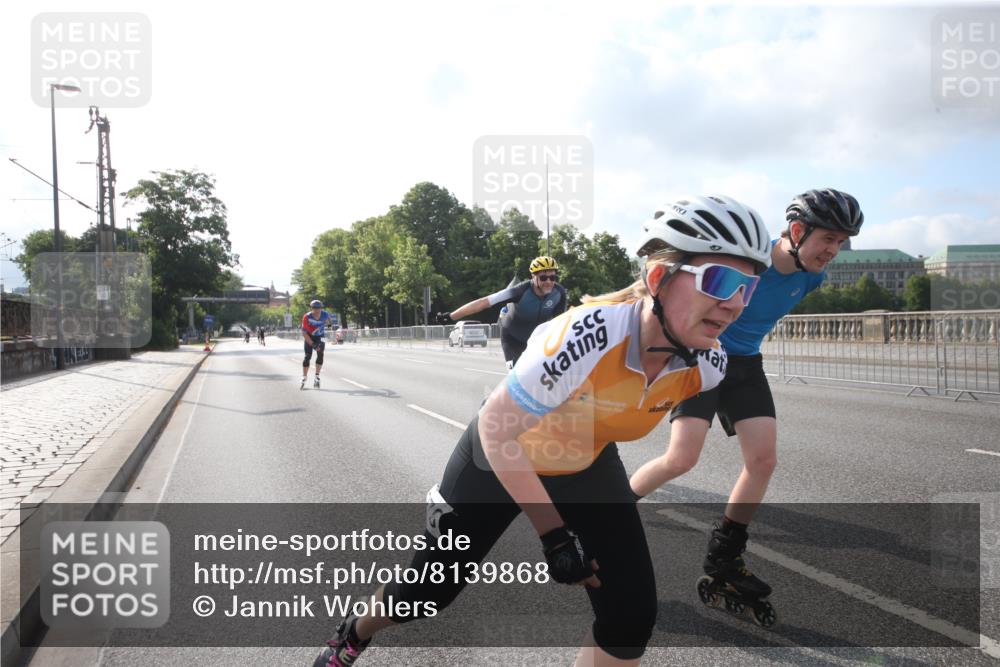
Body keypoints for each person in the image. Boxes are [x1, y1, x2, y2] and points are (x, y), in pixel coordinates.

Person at [312, 195, 772, 667]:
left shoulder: (708, 363)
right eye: (720, 280)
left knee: (631, 618)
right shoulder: (587, 335)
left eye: (749, 288)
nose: (735, 303)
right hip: (499, 457)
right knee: (427, 593)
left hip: (585, 464)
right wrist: (553, 535)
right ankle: (353, 632)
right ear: (658, 278)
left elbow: (693, 449)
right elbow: (497, 431)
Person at [629, 188, 864, 607]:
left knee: (763, 460)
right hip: (703, 356)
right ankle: (611, 513)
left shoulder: (813, 276)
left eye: (841, 242)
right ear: (796, 230)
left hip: (745, 366)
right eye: (829, 239)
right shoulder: (751, 262)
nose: (835, 250)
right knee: (681, 459)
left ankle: (724, 559)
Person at [434, 256, 568, 369]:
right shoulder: (520, 291)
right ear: (533, 277)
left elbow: (559, 323)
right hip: (512, 338)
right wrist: (451, 316)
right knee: (517, 375)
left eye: (553, 277)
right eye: (544, 278)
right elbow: (484, 302)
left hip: (537, 340)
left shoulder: (559, 293)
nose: (549, 282)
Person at [301, 299, 335, 389]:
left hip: (320, 336)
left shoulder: (325, 314)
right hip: (309, 336)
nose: (316, 310)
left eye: (318, 308)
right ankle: (304, 376)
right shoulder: (306, 317)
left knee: (320, 354)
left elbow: (329, 321)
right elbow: (304, 333)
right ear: (311, 308)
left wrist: (329, 327)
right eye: (314, 308)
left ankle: (317, 376)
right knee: (307, 356)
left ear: (321, 308)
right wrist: (312, 344)